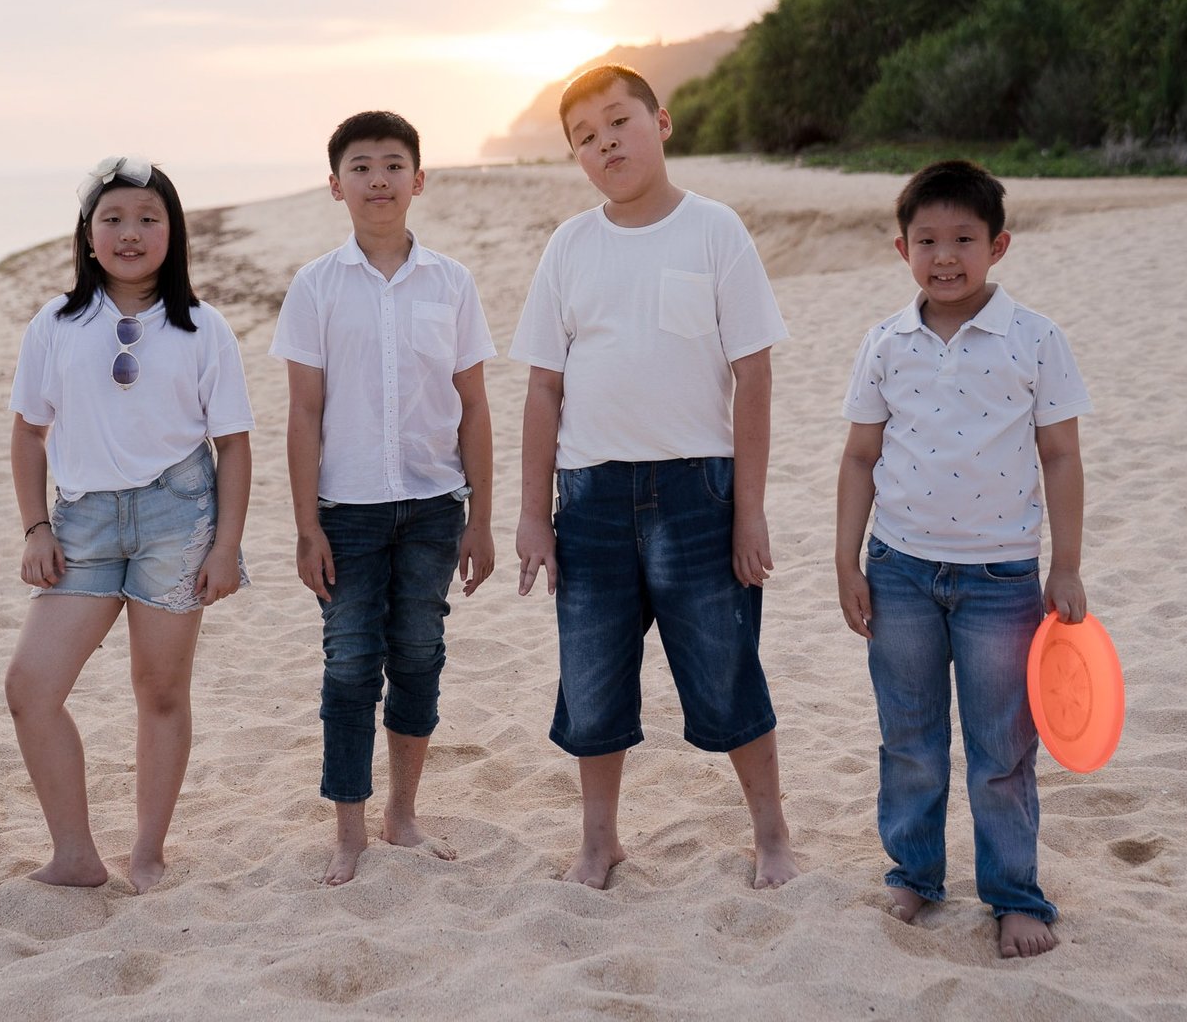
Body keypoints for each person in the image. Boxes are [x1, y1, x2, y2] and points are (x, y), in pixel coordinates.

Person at [510, 64, 799, 890]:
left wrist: (750, 510)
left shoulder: (714, 231)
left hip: (698, 494)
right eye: (585, 137)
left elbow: (755, 373)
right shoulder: (570, 247)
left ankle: (771, 834)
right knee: (592, 682)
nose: (606, 144)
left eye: (618, 122)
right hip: (591, 499)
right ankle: (599, 842)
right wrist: (534, 514)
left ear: (660, 123)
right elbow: (542, 386)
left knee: (726, 665)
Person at [834, 159, 1091, 958]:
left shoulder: (1034, 338)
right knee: (908, 738)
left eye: (963, 240)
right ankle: (914, 873)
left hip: (1002, 581)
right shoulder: (885, 343)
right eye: (927, 240)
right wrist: (847, 562)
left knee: (1002, 748)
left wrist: (1067, 565)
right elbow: (857, 459)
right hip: (901, 570)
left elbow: (1061, 457)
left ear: (999, 245)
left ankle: (1014, 894)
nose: (945, 256)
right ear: (901, 248)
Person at [3, 155, 253, 895]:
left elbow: (234, 443)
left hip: (179, 518)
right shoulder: (55, 324)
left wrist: (227, 546)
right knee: (31, 687)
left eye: (148, 217)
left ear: (173, 233)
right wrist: (34, 529)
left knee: (161, 691)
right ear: (86, 236)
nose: (130, 232)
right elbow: (26, 433)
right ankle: (75, 854)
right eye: (112, 218)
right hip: (80, 525)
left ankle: (148, 852)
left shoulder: (205, 328)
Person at [271, 111, 497, 885]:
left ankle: (402, 813)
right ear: (336, 185)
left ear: (419, 180)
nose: (378, 180)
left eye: (393, 165)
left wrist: (484, 519)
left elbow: (474, 405)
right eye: (361, 167)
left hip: (436, 507)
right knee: (348, 667)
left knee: (420, 655)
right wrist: (306, 526)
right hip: (348, 513)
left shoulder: (452, 283)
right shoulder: (316, 286)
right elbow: (302, 412)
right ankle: (350, 831)